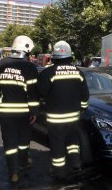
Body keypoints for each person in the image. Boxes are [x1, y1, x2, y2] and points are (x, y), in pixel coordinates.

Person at [38, 41, 89, 180]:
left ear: (54, 56)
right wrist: (83, 108)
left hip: (56, 119)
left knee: (57, 144)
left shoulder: (48, 72)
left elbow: (41, 93)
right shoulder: (78, 72)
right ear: (69, 55)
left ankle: (59, 172)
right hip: (74, 117)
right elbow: (85, 95)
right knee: (73, 143)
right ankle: (76, 165)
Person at [0, 35, 40, 183]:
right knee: (24, 140)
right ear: (26, 49)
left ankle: (13, 172)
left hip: (5, 112)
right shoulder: (29, 67)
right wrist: (34, 112)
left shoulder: (1, 64)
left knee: (9, 142)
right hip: (23, 112)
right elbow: (33, 92)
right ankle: (24, 161)